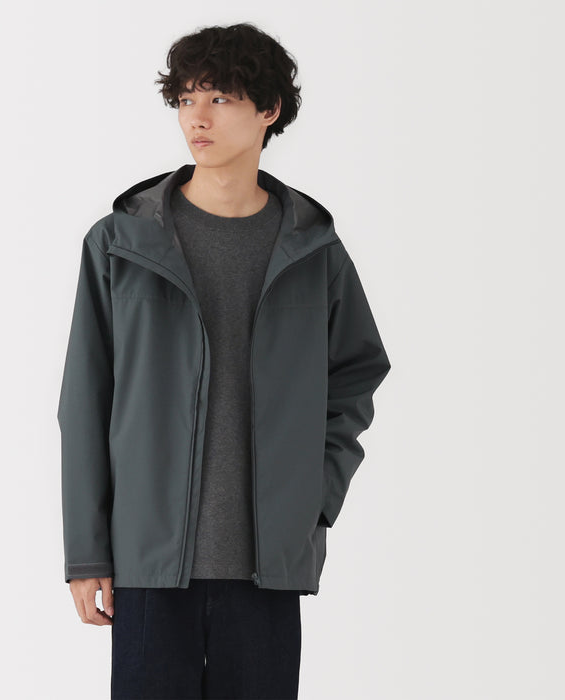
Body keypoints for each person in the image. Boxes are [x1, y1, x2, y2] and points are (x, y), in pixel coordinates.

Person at [57, 21, 391, 700]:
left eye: (219, 97)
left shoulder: (314, 251)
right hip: (148, 568)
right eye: (185, 99)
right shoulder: (121, 244)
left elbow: (356, 375)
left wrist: (314, 499)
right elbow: (84, 401)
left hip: (267, 569)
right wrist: (87, 552)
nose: (196, 117)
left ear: (269, 110)